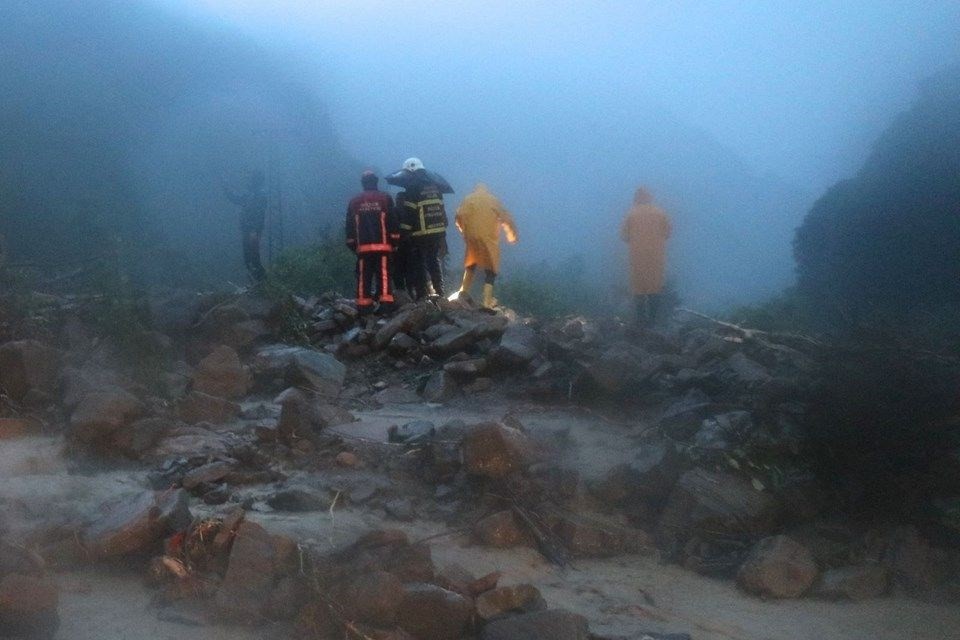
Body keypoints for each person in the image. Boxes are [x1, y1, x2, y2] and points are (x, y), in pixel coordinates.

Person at [453, 183, 518, 308]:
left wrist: (463, 230)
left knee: (471, 263)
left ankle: (463, 292)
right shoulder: (494, 200)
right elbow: (506, 219)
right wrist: (512, 236)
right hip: (489, 239)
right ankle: (487, 301)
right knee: (491, 268)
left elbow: (459, 216)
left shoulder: (469, 199)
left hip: (472, 237)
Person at [345, 171, 399, 313]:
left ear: (363, 183)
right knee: (384, 274)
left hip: (363, 248)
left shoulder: (354, 201)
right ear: (376, 182)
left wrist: (352, 245)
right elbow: (393, 221)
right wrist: (395, 241)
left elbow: (349, 226)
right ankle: (386, 304)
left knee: (364, 276)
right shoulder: (385, 198)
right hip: (383, 246)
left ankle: (363, 305)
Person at [396, 158, 449, 299]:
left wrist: (403, 233)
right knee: (433, 261)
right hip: (437, 232)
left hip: (420, 233)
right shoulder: (435, 187)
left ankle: (422, 295)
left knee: (418, 263)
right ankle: (439, 292)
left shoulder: (413, 187)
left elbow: (409, 214)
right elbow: (441, 210)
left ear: (410, 171)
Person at [620, 187, 672, 326]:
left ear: (636, 198)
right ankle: (653, 322)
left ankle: (641, 321)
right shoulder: (660, 212)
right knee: (655, 286)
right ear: (650, 197)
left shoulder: (631, 213)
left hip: (637, 257)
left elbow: (624, 236)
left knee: (639, 287)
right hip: (656, 257)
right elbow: (668, 233)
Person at [223, 171, 268, 282]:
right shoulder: (251, 194)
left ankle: (261, 280)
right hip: (248, 229)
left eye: (252, 180)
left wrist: (254, 229)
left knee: (252, 255)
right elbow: (235, 198)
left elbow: (257, 213)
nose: (249, 181)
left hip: (252, 229)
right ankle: (257, 280)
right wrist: (226, 187)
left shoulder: (259, 195)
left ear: (256, 181)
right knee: (248, 255)